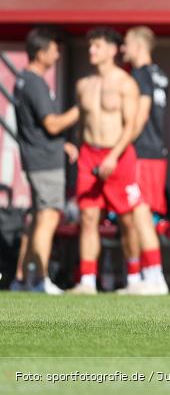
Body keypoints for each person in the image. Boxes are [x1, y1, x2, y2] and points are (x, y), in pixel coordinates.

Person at [70, 27, 141, 294]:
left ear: (112, 50)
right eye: (90, 46)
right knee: (88, 217)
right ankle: (87, 280)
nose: (91, 51)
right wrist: (76, 147)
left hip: (118, 154)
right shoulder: (83, 84)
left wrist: (113, 156)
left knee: (127, 219)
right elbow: (81, 124)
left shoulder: (125, 83)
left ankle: (134, 278)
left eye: (97, 46)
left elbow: (131, 126)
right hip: (90, 154)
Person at [12, 27, 79, 293]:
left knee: (38, 219)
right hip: (45, 162)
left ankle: (20, 280)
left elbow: (38, 128)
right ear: (40, 53)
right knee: (49, 218)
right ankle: (39, 279)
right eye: (54, 50)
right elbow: (51, 125)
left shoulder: (23, 80)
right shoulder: (35, 82)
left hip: (38, 157)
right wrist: (80, 110)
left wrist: (63, 145)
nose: (58, 55)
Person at [119, 26, 168, 294]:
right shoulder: (158, 73)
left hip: (142, 153)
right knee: (139, 215)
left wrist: (120, 147)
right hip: (155, 152)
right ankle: (140, 277)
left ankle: (154, 276)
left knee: (140, 214)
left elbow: (141, 113)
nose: (123, 49)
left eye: (126, 43)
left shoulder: (139, 75)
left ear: (139, 46)